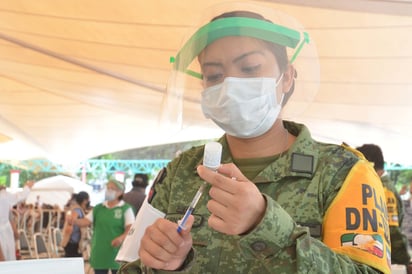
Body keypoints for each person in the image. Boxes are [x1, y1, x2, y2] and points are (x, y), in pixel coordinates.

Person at [119, 3, 392, 274]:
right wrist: (164, 267)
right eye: (214, 75)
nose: (230, 85)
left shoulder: (343, 173)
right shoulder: (181, 172)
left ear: (286, 77)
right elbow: (130, 268)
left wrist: (266, 225)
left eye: (249, 68)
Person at [357, 144, 412, 273]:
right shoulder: (376, 185)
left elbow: (391, 230)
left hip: (388, 262)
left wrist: (405, 260)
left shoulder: (383, 190)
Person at [74, 179, 135, 274]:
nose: (108, 191)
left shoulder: (125, 209)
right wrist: (73, 220)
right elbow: (85, 222)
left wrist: (121, 238)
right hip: (99, 251)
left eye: (112, 189)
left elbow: (130, 229)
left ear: (120, 193)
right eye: (108, 188)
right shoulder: (98, 208)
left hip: (117, 251)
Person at [0, 180, 34, 261]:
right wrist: (27, 187)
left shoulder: (3, 196)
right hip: (4, 232)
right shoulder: (3, 196)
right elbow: (20, 197)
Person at [62, 191, 90, 257]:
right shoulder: (77, 210)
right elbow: (71, 221)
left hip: (74, 242)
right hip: (72, 243)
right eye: (88, 200)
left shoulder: (78, 209)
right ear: (84, 201)